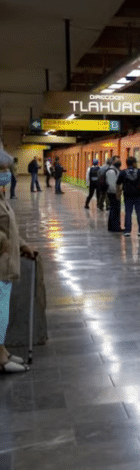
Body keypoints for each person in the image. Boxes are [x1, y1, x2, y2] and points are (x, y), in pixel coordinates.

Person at [0, 149, 37, 373]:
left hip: (6, 264)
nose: (6, 174)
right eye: (2, 170)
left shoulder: (1, 197)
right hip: (0, 262)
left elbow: (9, 228)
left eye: (6, 169)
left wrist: (23, 245)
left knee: (2, 311)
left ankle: (2, 351)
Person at [117, 156, 140, 237]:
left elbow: (118, 183)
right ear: (134, 163)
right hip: (138, 196)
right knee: (139, 213)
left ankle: (127, 231)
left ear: (127, 164)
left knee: (128, 213)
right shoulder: (139, 171)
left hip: (127, 196)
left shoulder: (123, 172)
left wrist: (119, 193)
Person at [106, 159, 122, 232]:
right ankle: (114, 227)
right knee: (114, 210)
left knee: (114, 210)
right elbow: (112, 184)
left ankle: (113, 227)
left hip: (113, 193)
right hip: (113, 193)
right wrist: (117, 194)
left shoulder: (115, 170)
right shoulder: (112, 171)